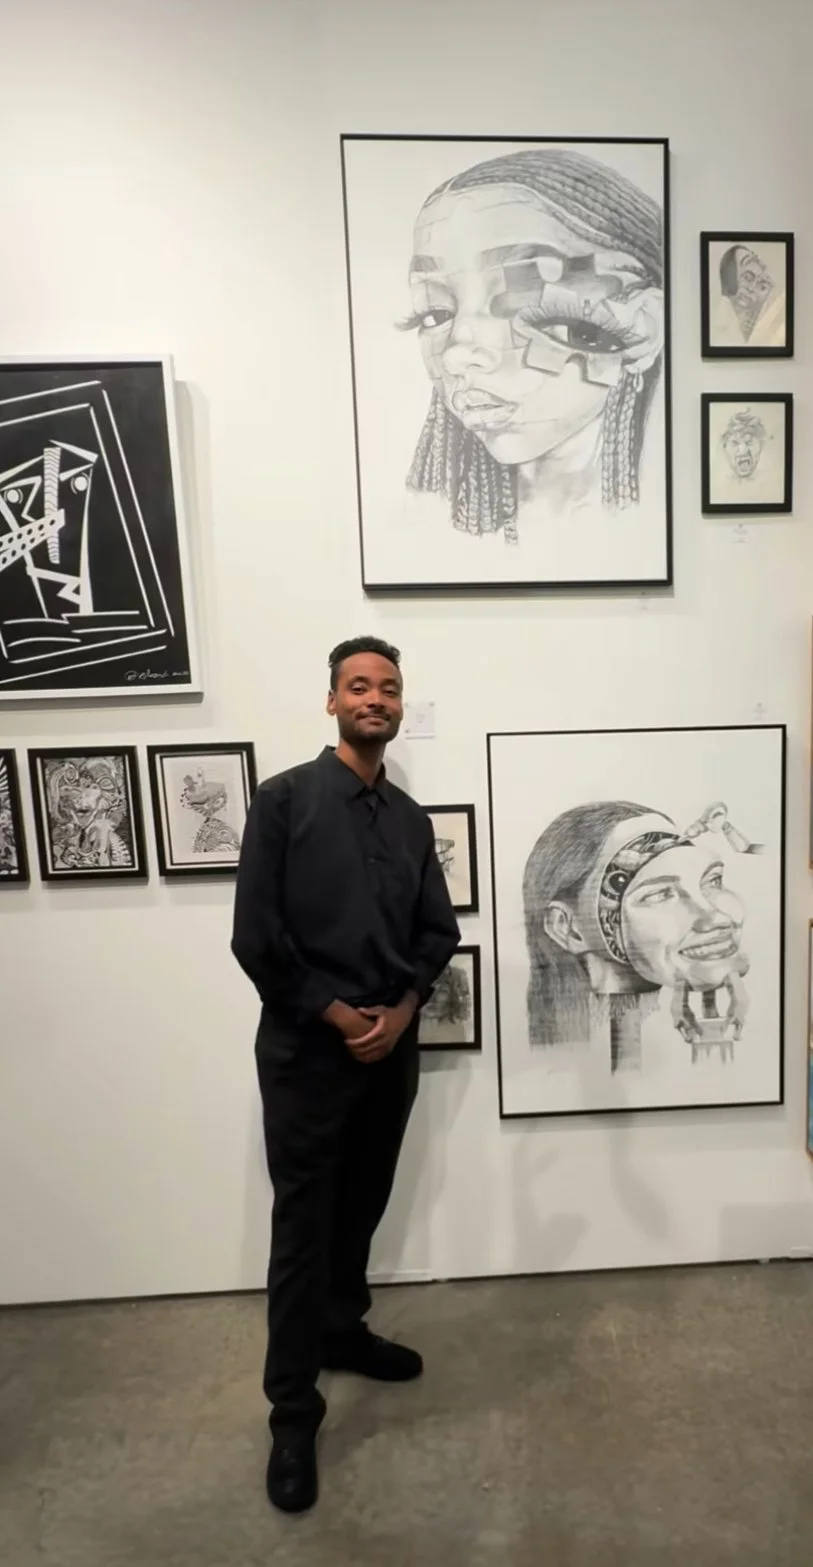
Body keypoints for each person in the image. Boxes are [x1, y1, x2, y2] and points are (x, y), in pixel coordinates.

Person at [231, 635, 460, 1513]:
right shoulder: (284, 801)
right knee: (302, 1230)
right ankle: (292, 1413)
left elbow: (433, 935)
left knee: (361, 1202)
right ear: (331, 701)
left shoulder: (407, 820)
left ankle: (342, 1329)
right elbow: (256, 938)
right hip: (305, 1051)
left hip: (387, 1049)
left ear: (399, 707)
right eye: (359, 685)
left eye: (389, 687)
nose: (376, 697)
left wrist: (400, 1013)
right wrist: (336, 1014)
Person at [399, 146, 665, 540]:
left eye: (534, 304)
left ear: (643, 326)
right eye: (434, 314)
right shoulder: (424, 533)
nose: (455, 354)